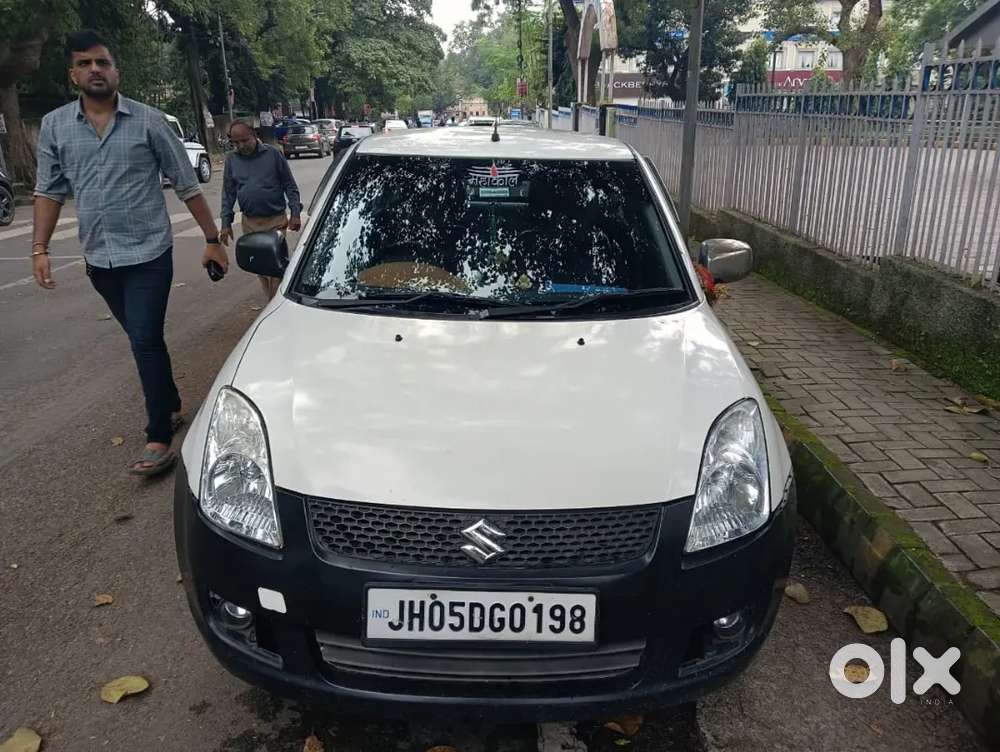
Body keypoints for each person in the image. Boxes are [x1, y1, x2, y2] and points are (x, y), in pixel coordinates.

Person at [32, 29, 229, 477]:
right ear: (73, 74)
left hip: (149, 255)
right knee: (144, 341)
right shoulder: (56, 126)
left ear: (116, 70)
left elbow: (186, 184)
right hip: (99, 260)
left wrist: (212, 239)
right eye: (85, 64)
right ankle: (172, 402)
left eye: (102, 62)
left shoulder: (148, 121)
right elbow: (48, 192)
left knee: (143, 339)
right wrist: (39, 248)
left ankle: (159, 434)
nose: (94, 70)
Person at [219, 120, 302, 300]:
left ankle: (275, 304)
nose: (241, 146)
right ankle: (272, 301)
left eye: (244, 140)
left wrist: (295, 213)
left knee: (275, 266)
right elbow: (228, 193)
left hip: (275, 221)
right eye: (236, 142)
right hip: (250, 222)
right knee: (261, 268)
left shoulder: (273, 154)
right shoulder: (232, 160)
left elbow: (290, 185)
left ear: (254, 135)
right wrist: (225, 223)